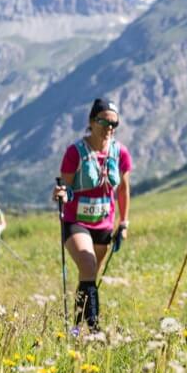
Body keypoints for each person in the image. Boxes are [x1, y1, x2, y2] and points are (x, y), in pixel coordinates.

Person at [52, 98, 132, 335]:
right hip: (76, 221)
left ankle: (75, 328)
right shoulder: (74, 152)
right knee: (87, 264)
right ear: (91, 121)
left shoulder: (120, 152)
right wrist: (59, 194)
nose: (109, 127)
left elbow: (124, 190)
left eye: (114, 123)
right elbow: (65, 187)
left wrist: (124, 223)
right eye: (104, 121)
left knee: (89, 277)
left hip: (104, 223)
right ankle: (95, 330)